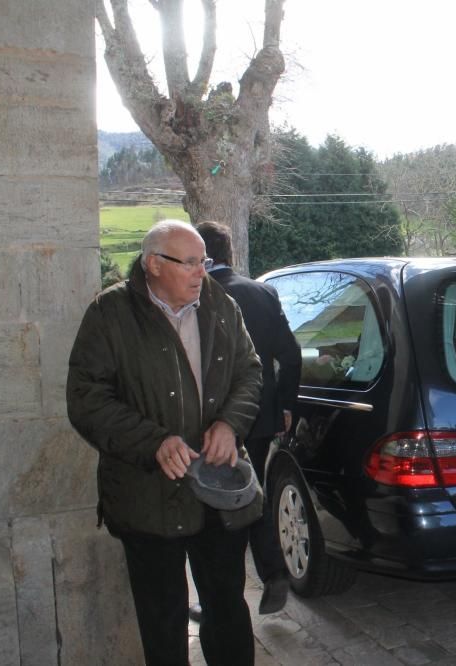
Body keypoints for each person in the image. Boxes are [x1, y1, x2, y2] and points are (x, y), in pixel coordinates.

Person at [67, 220, 262, 665]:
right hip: (147, 495)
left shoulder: (220, 304)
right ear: (153, 264)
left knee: (228, 608)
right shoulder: (110, 315)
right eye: (190, 263)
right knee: (163, 620)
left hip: (219, 488)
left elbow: (249, 372)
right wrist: (153, 441)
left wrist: (230, 423)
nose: (201, 273)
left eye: (204, 262)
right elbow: (86, 399)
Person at [196, 220, 301, 614]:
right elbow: (289, 356)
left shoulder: (193, 295)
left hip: (208, 423)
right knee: (252, 491)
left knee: (215, 506)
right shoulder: (263, 292)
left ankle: (223, 598)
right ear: (230, 253)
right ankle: (272, 571)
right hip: (258, 415)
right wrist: (287, 405)